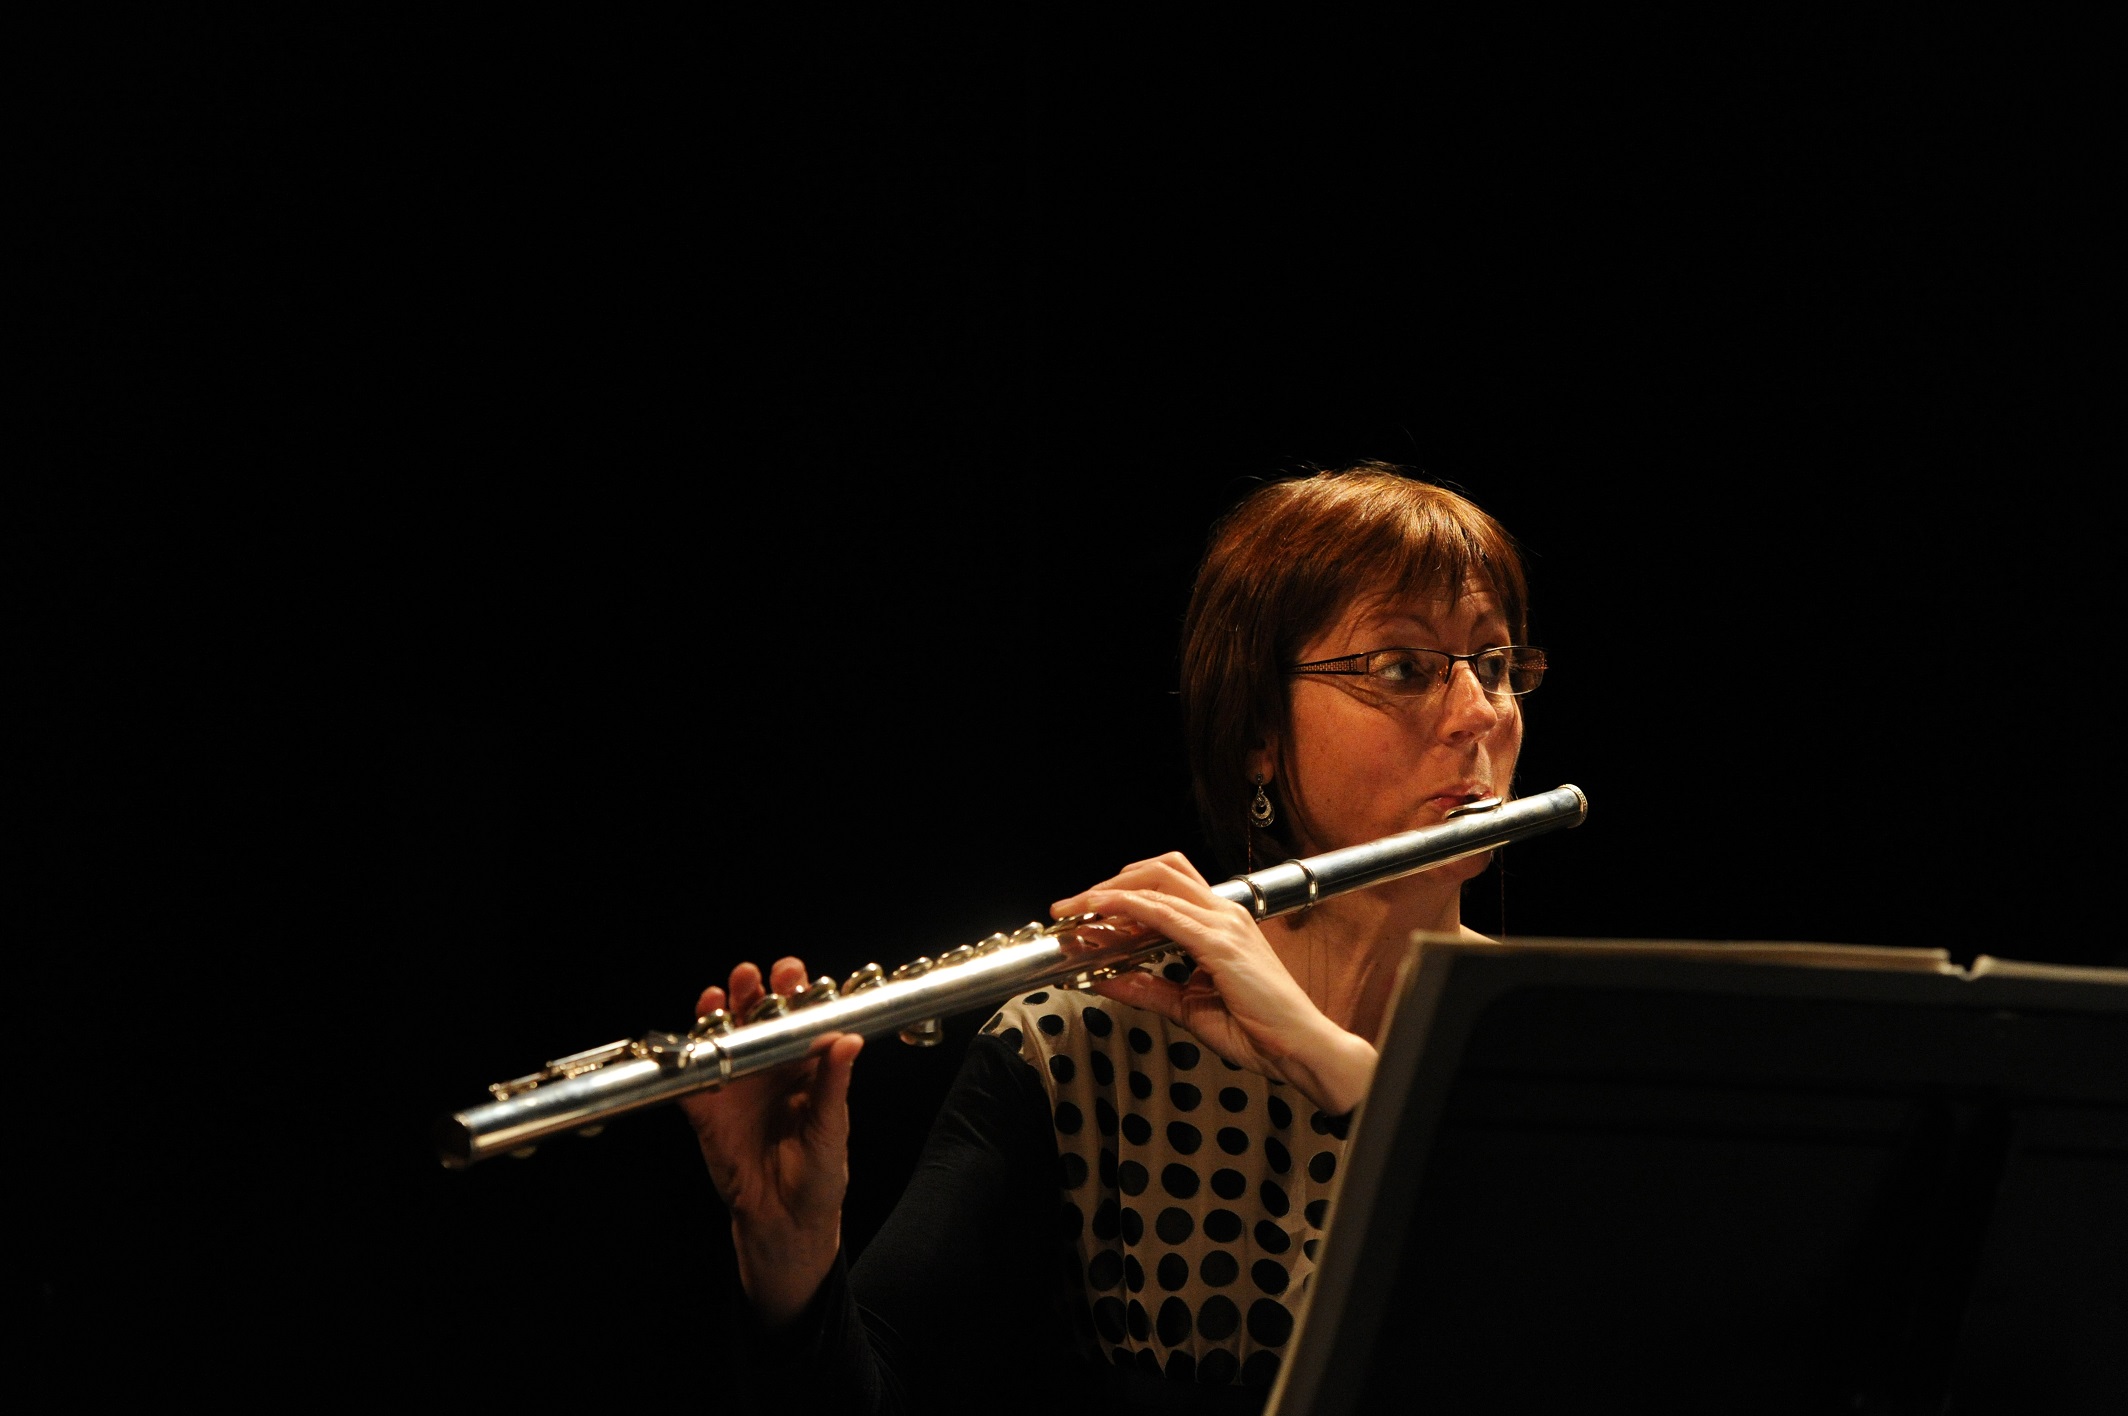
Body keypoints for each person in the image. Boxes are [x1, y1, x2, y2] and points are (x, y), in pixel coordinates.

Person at [685, 464, 1546, 1413]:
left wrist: (1332, 1062)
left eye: (1497, 666)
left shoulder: (1565, 1036)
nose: (1478, 716)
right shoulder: (1083, 1055)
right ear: (1259, 730)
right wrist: (790, 1253)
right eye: (1404, 669)